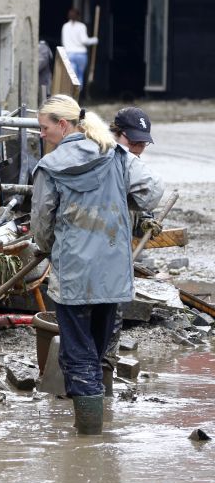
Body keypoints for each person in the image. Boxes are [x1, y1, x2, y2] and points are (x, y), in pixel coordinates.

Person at [30, 95, 163, 435]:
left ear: (63, 125)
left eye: (44, 128)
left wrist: (51, 249)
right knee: (98, 349)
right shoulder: (116, 154)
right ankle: (96, 430)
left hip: (73, 275)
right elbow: (152, 192)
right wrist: (121, 203)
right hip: (114, 274)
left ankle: (89, 439)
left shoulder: (50, 166)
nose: (41, 134)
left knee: (78, 353)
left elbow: (42, 226)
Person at [100, 107, 162, 395]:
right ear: (116, 133)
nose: (138, 149)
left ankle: (103, 385)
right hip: (97, 250)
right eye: (133, 142)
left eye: (142, 144)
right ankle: (89, 384)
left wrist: (144, 220)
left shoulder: (129, 165)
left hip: (116, 255)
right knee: (97, 318)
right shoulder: (103, 158)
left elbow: (134, 202)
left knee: (113, 320)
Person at [61, 8, 98, 89]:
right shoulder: (81, 26)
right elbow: (84, 40)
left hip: (69, 54)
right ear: (78, 16)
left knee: (71, 77)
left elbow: (63, 42)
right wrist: (94, 40)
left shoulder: (65, 26)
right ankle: (77, 96)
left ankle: (71, 94)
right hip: (81, 55)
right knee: (79, 76)